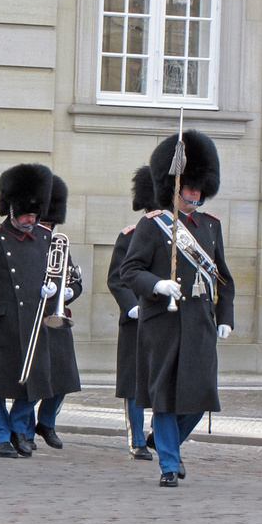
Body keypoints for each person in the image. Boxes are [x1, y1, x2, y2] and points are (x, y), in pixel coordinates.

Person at [120, 130, 234, 487]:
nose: (195, 195)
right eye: (189, 188)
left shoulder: (210, 227)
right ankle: (169, 465)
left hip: (199, 324)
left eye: (200, 189)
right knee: (165, 400)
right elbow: (130, 270)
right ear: (175, 186)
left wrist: (225, 317)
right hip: (163, 323)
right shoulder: (152, 225)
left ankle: (164, 442)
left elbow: (224, 279)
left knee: (200, 400)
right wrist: (157, 284)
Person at [0, 163, 60, 459]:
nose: (29, 220)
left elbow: (58, 274)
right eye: (24, 214)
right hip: (1, 321)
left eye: (34, 215)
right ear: (12, 210)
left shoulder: (45, 238)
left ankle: (19, 429)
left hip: (36, 321)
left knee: (36, 381)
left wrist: (57, 290)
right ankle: (0, 436)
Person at [26, 175, 82, 451]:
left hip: (58, 319)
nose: (47, 229)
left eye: (50, 224)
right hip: (35, 317)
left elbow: (74, 279)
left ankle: (46, 422)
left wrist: (71, 291)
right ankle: (24, 428)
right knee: (35, 379)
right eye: (43, 223)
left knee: (64, 377)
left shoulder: (60, 243)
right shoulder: (27, 244)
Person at [107, 166, 157, 461]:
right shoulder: (130, 235)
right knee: (135, 382)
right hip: (137, 319)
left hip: (167, 318)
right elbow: (117, 278)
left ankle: (159, 433)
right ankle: (137, 438)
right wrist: (133, 306)